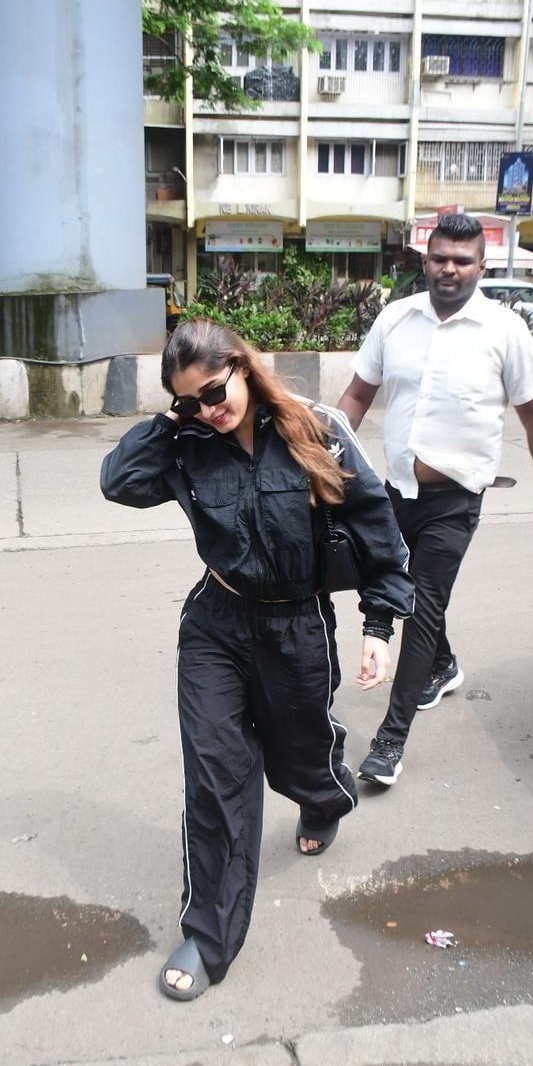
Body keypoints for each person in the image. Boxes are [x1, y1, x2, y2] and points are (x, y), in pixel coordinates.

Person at [100, 318, 414, 1001]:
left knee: (297, 751)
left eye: (215, 391)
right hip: (216, 622)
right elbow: (117, 482)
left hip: (295, 625)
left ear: (243, 366)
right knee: (215, 775)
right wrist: (170, 419)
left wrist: (379, 626)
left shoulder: (315, 427)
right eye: (192, 402)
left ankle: (322, 797)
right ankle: (210, 935)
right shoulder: (188, 444)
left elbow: (376, 527)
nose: (209, 411)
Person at [337, 211, 533, 790]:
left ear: (481, 266)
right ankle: (442, 665)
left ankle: (390, 743)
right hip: (393, 490)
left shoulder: (504, 330)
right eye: (440, 257)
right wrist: (323, 458)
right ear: (426, 258)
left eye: (463, 261)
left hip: (455, 500)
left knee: (423, 606)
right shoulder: (395, 320)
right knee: (391, 586)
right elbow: (358, 395)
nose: (450, 269)